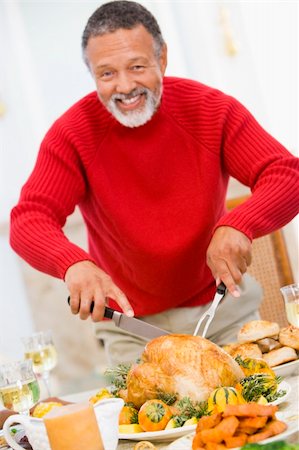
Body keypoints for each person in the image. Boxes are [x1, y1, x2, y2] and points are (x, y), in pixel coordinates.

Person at [10, 1, 299, 365]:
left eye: (137, 66)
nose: (125, 86)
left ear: (162, 60)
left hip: (222, 315)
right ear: (92, 74)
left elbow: (287, 174)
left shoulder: (210, 109)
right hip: (131, 331)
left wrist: (239, 223)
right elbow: (29, 218)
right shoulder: (73, 133)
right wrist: (71, 263)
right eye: (107, 74)